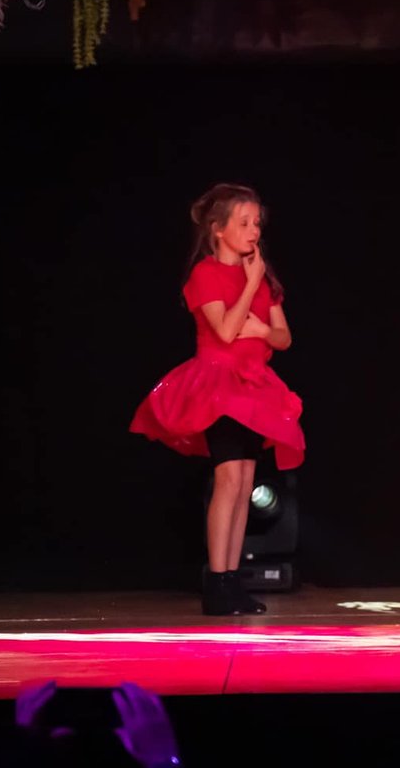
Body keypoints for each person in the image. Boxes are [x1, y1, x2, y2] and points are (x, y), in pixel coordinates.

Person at [130, 184, 304, 616]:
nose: (253, 231)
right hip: (219, 386)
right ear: (218, 229)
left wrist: (263, 329)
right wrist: (250, 283)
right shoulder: (206, 274)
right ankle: (217, 581)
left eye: (256, 223)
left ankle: (231, 579)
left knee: (245, 480)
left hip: (254, 387)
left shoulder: (263, 278)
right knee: (227, 479)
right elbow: (225, 330)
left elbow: (284, 337)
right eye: (243, 223)